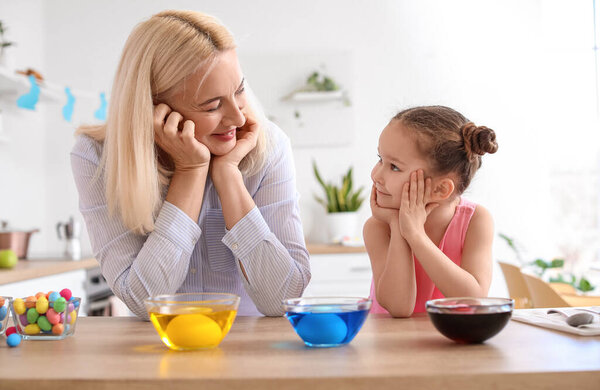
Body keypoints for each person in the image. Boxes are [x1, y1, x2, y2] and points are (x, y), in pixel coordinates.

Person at [70, 10, 310, 319]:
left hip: (250, 355)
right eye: (212, 105)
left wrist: (228, 176)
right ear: (155, 109)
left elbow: (283, 300)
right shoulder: (97, 158)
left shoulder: (269, 145)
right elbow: (145, 302)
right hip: (159, 354)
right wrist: (191, 171)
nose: (237, 118)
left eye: (239, 91)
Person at [363, 106, 498, 317]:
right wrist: (399, 228)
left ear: (440, 189)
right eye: (380, 159)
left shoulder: (476, 221)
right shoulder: (379, 226)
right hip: (390, 345)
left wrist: (416, 235)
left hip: (449, 344)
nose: (375, 175)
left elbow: (474, 299)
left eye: (394, 167)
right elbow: (399, 308)